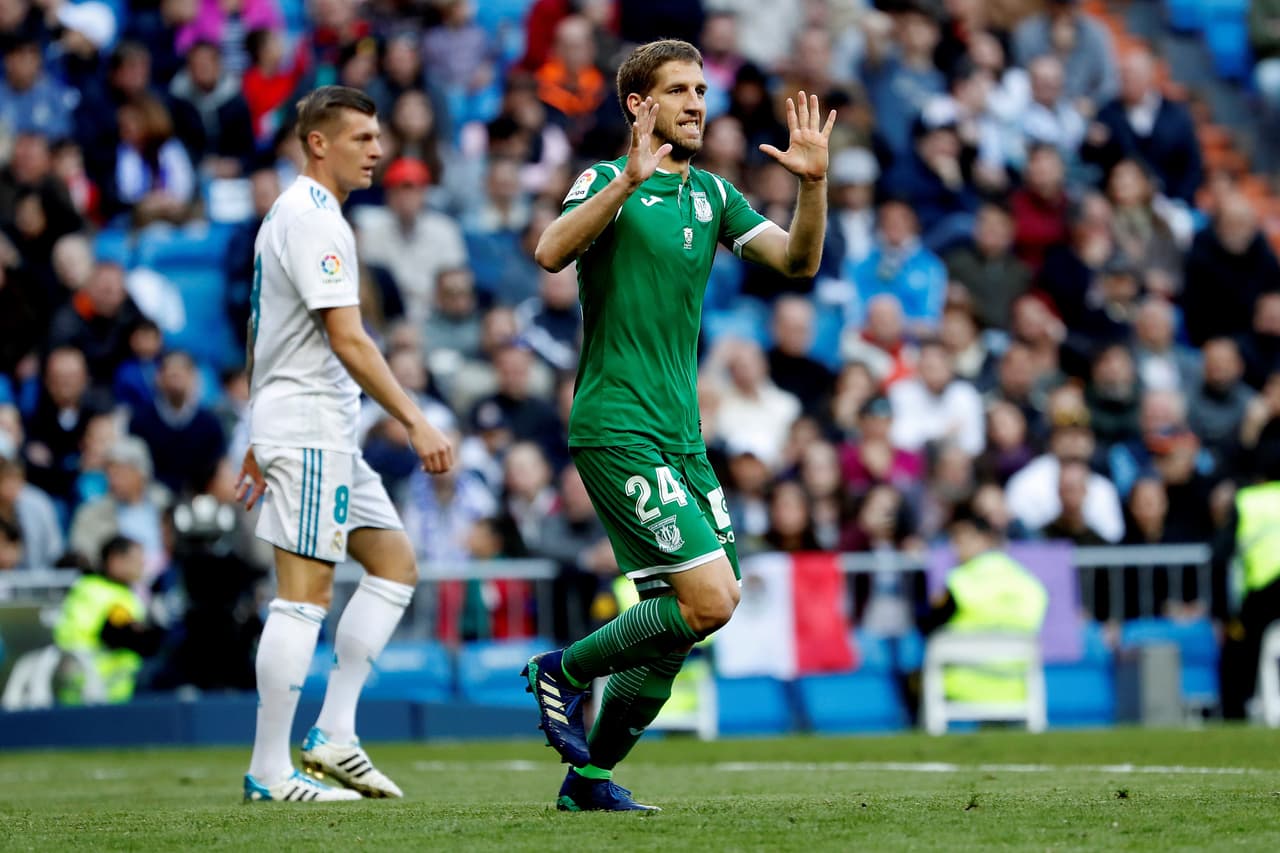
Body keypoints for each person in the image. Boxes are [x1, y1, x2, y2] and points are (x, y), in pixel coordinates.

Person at [522, 39, 831, 811]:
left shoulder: (714, 197)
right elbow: (550, 252)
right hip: (616, 422)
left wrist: (814, 186)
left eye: (702, 88)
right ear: (639, 105)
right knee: (712, 597)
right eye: (679, 89)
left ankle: (588, 779)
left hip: (681, 435)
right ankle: (562, 667)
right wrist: (624, 181)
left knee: (685, 624)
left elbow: (797, 262)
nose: (698, 102)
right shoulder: (604, 179)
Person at [234, 86, 454, 804]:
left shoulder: (308, 216)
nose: (378, 150)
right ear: (318, 143)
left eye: (378, 136)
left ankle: (334, 732)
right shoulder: (312, 218)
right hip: (307, 426)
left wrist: (254, 424)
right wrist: (415, 420)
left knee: (393, 564)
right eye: (361, 137)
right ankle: (269, 769)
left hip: (314, 424)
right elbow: (347, 336)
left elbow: (265, 324)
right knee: (304, 597)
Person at [919, 505, 1048, 706]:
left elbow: (930, 624)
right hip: (1015, 684)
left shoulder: (958, 582)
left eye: (962, 539)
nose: (956, 547)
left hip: (964, 682)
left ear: (985, 540)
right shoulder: (1025, 582)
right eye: (954, 540)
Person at [53, 536, 165, 704]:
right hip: (96, 689)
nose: (142, 565)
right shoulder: (104, 593)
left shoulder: (90, 587)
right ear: (115, 560)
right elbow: (123, 635)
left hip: (94, 689)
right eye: (136, 559)